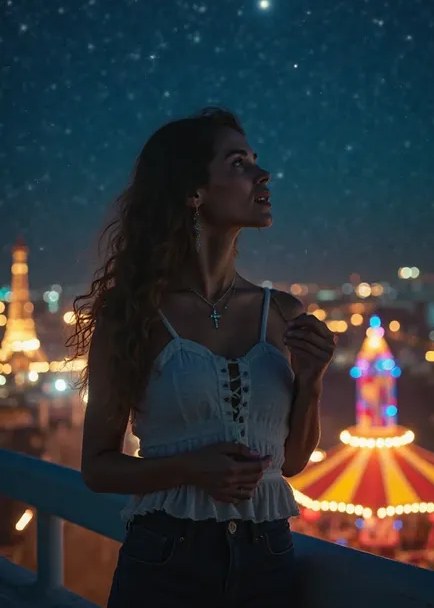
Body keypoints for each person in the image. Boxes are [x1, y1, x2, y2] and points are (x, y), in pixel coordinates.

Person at [67, 107, 336, 608]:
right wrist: (192, 469)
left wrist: (312, 382)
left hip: (269, 558)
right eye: (239, 163)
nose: (263, 173)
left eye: (256, 160)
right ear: (194, 192)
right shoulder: (135, 315)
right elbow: (98, 468)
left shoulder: (281, 312)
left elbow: (291, 463)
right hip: (166, 560)